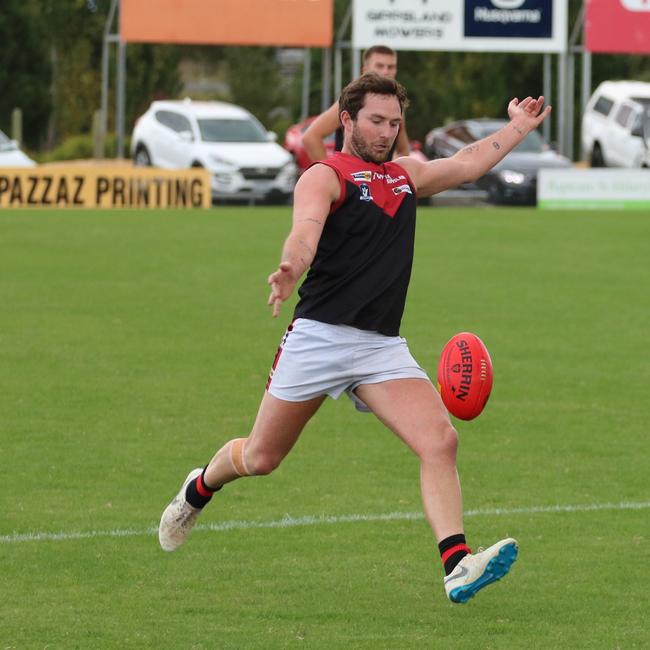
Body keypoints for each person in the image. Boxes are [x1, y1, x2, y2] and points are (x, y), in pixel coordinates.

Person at [159, 72, 551, 604]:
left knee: (440, 441)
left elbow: (466, 164)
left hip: (379, 347)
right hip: (318, 338)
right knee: (261, 457)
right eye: (376, 121)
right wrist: (289, 268)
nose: (386, 132)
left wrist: (519, 126)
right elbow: (305, 230)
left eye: (394, 123)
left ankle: (456, 564)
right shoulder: (324, 175)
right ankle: (199, 486)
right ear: (347, 119)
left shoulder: (405, 176)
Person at [302, 45, 410, 163]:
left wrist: (395, 177)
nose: (385, 71)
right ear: (365, 70)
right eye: (379, 66)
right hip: (350, 177)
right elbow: (310, 137)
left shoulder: (395, 106)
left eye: (391, 67)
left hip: (377, 180)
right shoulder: (352, 100)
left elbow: (403, 150)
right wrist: (333, 174)